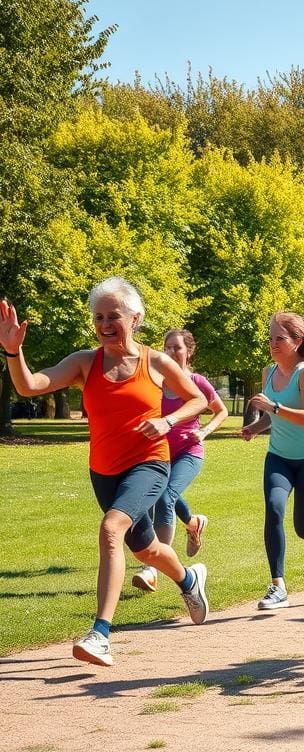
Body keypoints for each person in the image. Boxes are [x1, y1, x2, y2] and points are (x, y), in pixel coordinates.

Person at [0, 278, 210, 667]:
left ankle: (100, 634)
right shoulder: (85, 362)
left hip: (150, 463)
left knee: (111, 528)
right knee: (145, 548)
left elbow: (197, 399)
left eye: (114, 315)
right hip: (104, 471)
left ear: (136, 318)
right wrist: (13, 352)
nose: (105, 323)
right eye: (98, 317)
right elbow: (30, 387)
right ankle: (188, 580)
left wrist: (168, 422)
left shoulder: (156, 362)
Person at [241, 312, 304, 610]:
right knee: (274, 508)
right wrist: (255, 427)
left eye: (280, 339)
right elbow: (272, 418)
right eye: (271, 338)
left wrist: (273, 405)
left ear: (297, 342)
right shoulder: (268, 372)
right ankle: (278, 586)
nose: (273, 344)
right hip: (279, 458)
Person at [132, 329, 229, 593]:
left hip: (189, 451)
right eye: (168, 347)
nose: (172, 352)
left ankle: (153, 568)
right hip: (159, 451)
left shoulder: (197, 381)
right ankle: (193, 523)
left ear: (189, 351)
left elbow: (222, 411)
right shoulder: (156, 382)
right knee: (153, 497)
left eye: (177, 348)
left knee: (165, 497)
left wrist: (205, 431)